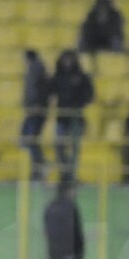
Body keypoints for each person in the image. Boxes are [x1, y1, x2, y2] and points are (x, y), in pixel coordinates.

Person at [50, 49, 94, 182]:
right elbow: (49, 90)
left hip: (76, 118)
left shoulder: (82, 77)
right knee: (58, 146)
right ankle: (66, 172)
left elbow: (89, 94)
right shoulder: (58, 76)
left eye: (69, 59)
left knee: (74, 148)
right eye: (65, 59)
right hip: (62, 117)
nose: (67, 62)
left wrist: (79, 104)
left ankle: (71, 175)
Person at [20, 49, 49, 181]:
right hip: (32, 110)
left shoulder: (37, 69)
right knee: (27, 139)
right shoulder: (35, 69)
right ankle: (38, 166)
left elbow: (41, 90)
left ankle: (40, 166)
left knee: (29, 139)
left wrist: (38, 104)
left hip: (36, 110)